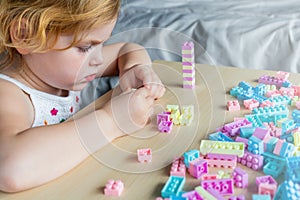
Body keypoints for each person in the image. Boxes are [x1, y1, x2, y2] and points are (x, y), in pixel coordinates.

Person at [0, 0, 165, 193]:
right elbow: (11, 168)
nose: (99, 59)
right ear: (25, 36)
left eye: (102, 44)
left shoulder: (57, 71)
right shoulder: (9, 94)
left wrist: (134, 68)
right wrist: (112, 121)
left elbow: (127, 49)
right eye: (86, 47)